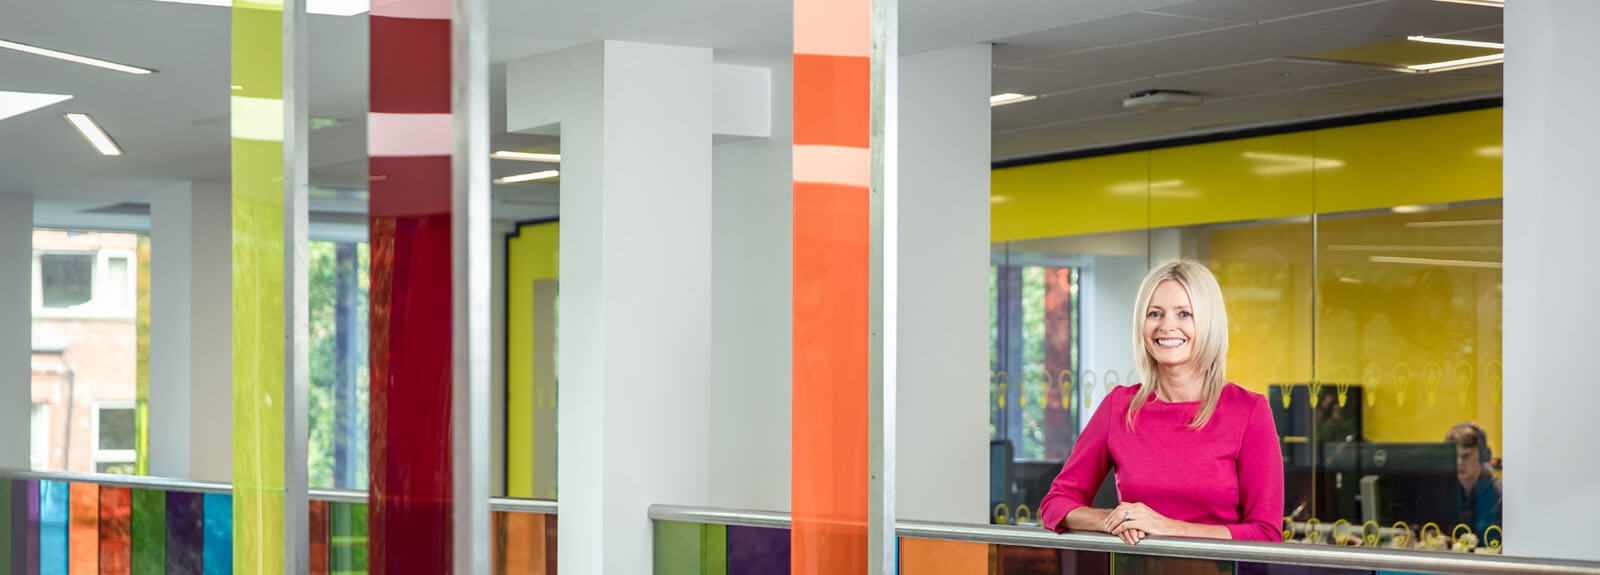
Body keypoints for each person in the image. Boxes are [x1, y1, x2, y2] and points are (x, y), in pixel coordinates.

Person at [1038, 260, 1285, 544]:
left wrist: (1167, 527)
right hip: (1139, 565)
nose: (1167, 326)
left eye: (1184, 314)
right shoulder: (1119, 407)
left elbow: (1265, 533)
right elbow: (1056, 504)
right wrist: (1114, 520)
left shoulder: (1249, 411)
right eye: (1155, 313)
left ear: (1208, 323)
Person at [1446, 422, 1502, 539]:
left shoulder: (1500, 494)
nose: (1459, 462)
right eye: (1454, 456)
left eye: (1466, 456)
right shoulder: (1443, 491)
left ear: (1482, 456)